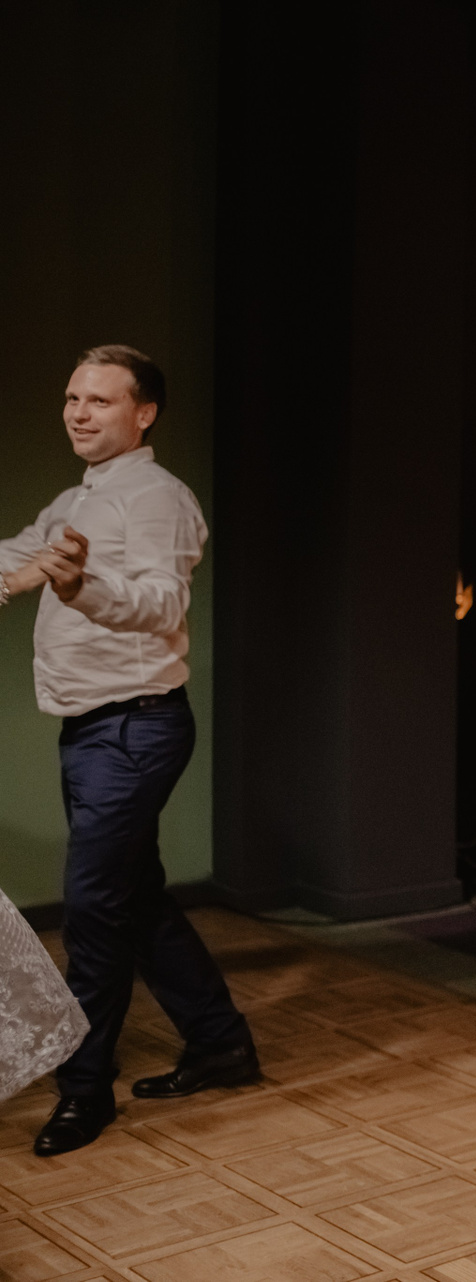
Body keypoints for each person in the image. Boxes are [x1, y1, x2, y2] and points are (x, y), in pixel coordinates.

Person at [0, 346, 255, 1157]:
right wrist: (27, 571)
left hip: (134, 729)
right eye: (72, 398)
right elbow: (18, 554)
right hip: (91, 730)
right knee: (134, 898)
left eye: (99, 401)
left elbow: (161, 602)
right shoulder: (77, 497)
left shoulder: (158, 497)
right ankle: (221, 1044)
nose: (78, 413)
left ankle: (85, 1092)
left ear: (143, 414)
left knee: (93, 913)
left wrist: (80, 587)